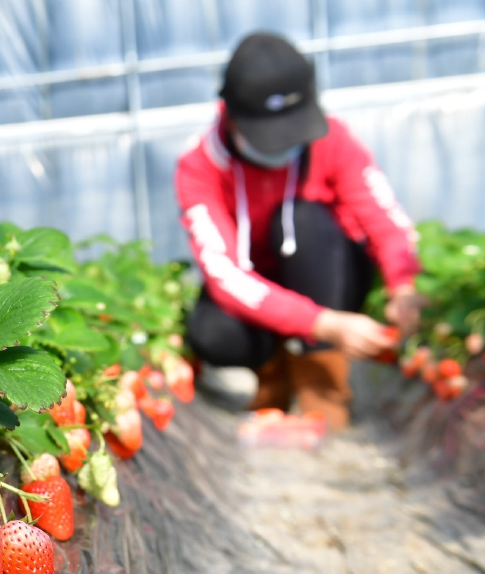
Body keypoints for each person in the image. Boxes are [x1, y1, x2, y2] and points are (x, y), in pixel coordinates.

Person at [176, 32, 424, 430]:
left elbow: (384, 217)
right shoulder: (200, 168)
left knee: (305, 220)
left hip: (326, 271)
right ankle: (273, 378)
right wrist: (321, 323)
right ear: (231, 115)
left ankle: (321, 386)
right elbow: (226, 276)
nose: (281, 146)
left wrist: (404, 286)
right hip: (261, 292)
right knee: (213, 332)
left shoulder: (332, 140)